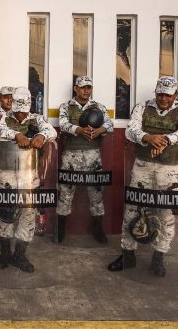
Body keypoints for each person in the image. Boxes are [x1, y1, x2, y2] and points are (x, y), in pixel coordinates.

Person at [107, 76, 178, 277]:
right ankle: (127, 254)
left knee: (166, 214)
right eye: (160, 94)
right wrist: (147, 137)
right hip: (143, 166)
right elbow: (131, 130)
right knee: (133, 210)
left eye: (168, 95)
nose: (163, 98)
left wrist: (165, 140)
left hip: (171, 168)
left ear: (176, 94)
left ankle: (159, 256)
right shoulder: (142, 107)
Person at [0, 87, 57, 273]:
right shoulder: (2, 115)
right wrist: (17, 134)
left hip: (29, 173)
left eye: (24, 111)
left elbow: (51, 130)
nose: (21, 115)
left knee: (28, 215)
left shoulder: (36, 118)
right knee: (5, 213)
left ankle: (19, 255)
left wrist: (41, 135)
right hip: (7, 172)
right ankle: (4, 253)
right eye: (18, 111)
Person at [57, 76, 113, 243]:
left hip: (92, 155)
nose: (86, 90)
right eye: (82, 87)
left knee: (96, 192)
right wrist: (80, 130)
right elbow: (63, 124)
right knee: (65, 192)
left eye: (89, 87)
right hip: (71, 155)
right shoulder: (66, 106)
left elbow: (110, 124)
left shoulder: (99, 107)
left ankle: (98, 229)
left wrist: (99, 130)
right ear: (76, 88)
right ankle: (60, 230)